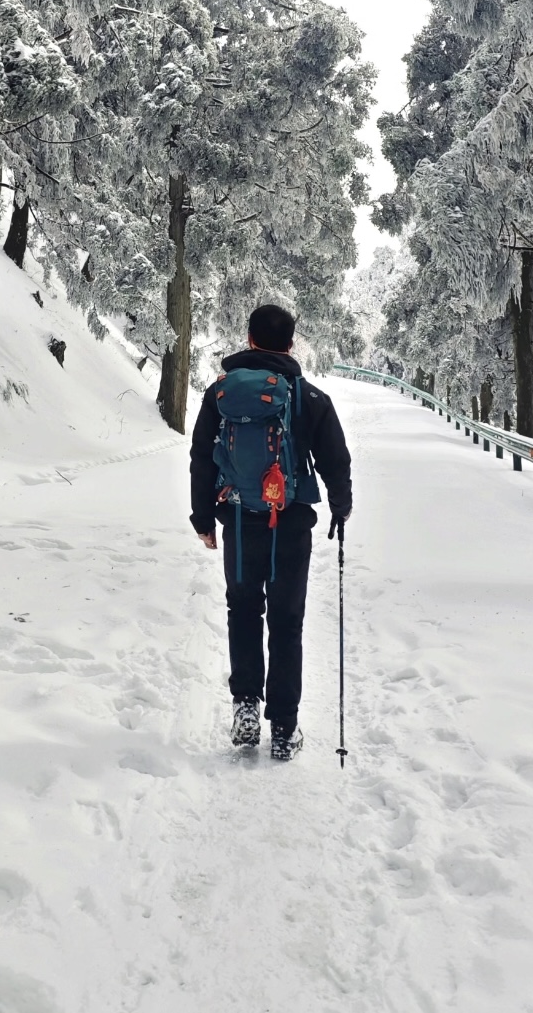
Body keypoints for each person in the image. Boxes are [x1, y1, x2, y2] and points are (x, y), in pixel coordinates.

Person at [189, 304, 352, 761]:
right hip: (292, 523)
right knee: (286, 620)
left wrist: (203, 518)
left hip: (240, 520)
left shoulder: (220, 394)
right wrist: (341, 508)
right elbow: (336, 461)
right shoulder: (310, 397)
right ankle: (283, 726)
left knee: (242, 611)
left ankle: (245, 705)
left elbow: (201, 457)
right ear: (291, 344)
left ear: (249, 338)